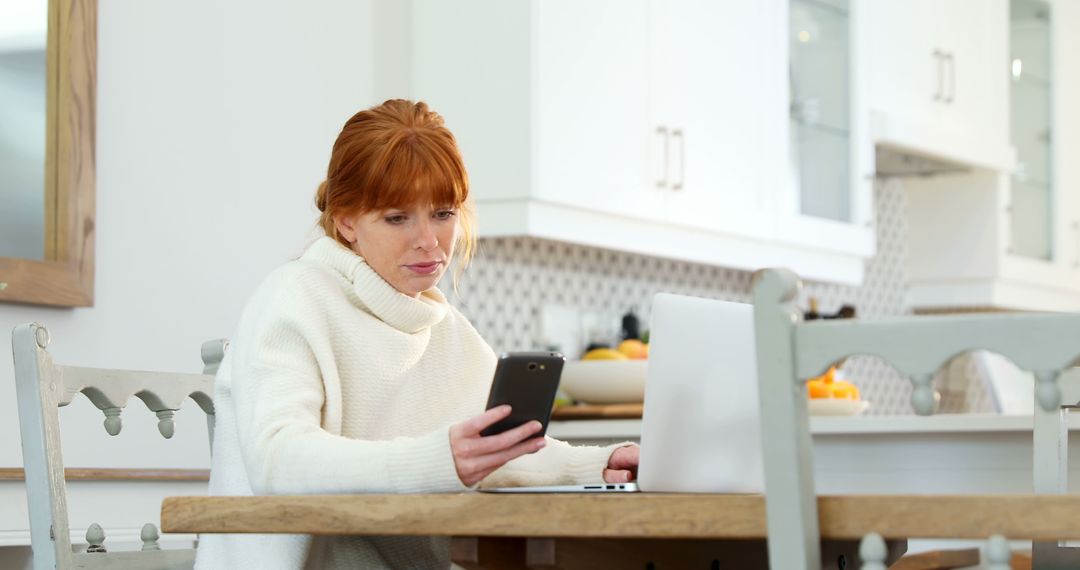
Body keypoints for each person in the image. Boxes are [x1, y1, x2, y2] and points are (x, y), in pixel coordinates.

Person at [195, 99, 639, 569]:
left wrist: (597, 465)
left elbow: (496, 455)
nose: (428, 240)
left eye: (443, 213)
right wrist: (436, 460)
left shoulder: (448, 330)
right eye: (397, 217)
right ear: (346, 220)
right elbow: (276, 461)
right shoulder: (293, 297)